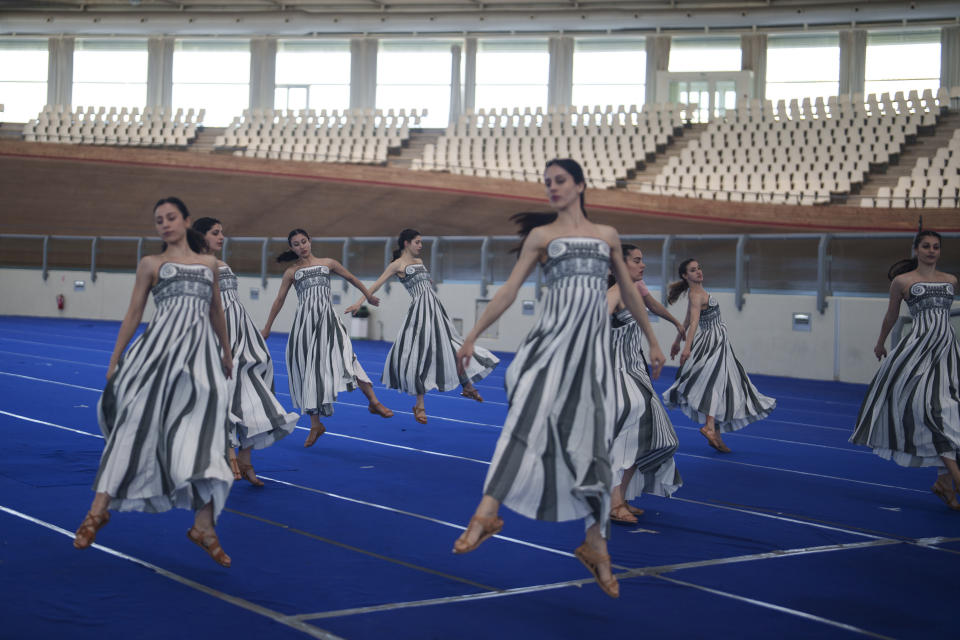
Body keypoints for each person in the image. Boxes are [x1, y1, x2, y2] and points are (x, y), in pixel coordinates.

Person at [451, 159, 666, 599]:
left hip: (590, 354)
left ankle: (595, 545)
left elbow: (628, 292)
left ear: (581, 185)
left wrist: (653, 342)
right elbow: (510, 290)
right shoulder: (541, 236)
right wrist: (472, 333)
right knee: (525, 419)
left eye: (559, 181)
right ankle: (486, 513)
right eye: (546, 183)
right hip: (549, 343)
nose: (551, 188)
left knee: (592, 444)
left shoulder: (607, 236)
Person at [73, 197, 235, 567]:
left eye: (171, 217)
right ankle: (97, 511)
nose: (164, 223)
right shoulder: (151, 264)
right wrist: (115, 360)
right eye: (158, 219)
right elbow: (134, 313)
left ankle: (204, 526)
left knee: (206, 436)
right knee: (134, 424)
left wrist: (226, 353)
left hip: (201, 359)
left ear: (186, 221)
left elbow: (216, 312)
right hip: (157, 354)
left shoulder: (209, 264)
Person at [850, 230, 960, 510]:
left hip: (946, 351)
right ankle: (956, 478)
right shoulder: (902, 281)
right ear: (916, 249)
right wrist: (880, 342)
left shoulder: (951, 280)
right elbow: (892, 316)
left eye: (936, 247)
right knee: (932, 411)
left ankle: (944, 482)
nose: (932, 251)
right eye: (926, 246)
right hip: (918, 351)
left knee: (951, 411)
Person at [346, 229, 499, 425]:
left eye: (421, 242)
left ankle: (467, 385)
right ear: (406, 243)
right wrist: (361, 301)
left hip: (435, 309)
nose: (421, 245)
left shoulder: (419, 263)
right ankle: (420, 404)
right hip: (420, 312)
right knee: (420, 355)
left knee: (450, 346)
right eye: (417, 242)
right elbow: (376, 284)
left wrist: (427, 281)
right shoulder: (397, 265)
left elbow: (425, 284)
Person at [193, 217, 299, 486]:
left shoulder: (221, 263)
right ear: (200, 236)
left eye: (222, 232)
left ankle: (245, 457)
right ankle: (227, 450)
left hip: (242, 330)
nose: (221, 237)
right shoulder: (194, 265)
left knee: (254, 388)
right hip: (219, 333)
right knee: (225, 389)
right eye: (215, 233)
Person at [261, 229, 392, 447]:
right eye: (296, 244)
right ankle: (316, 424)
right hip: (305, 327)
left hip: (329, 321)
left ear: (310, 241)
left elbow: (350, 277)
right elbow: (279, 300)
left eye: (304, 241)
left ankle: (374, 401)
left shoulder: (328, 263)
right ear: (291, 248)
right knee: (308, 371)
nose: (302, 246)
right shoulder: (292, 272)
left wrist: (367, 295)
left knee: (348, 357)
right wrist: (267, 328)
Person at [662, 259, 776, 453]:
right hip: (712, 342)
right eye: (693, 270)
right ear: (684, 276)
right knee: (717, 382)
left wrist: (676, 340)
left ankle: (715, 433)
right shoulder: (696, 295)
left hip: (718, 340)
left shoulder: (695, 293)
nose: (698, 272)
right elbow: (695, 321)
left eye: (699, 268)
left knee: (721, 383)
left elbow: (688, 319)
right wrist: (686, 347)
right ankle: (709, 427)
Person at [607, 244, 683, 525]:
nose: (643, 266)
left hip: (636, 371)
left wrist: (655, 345)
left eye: (643, 261)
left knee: (655, 438)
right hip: (617, 374)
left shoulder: (633, 291)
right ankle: (614, 503)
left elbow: (646, 316)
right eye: (637, 261)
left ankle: (620, 497)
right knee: (630, 435)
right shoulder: (613, 294)